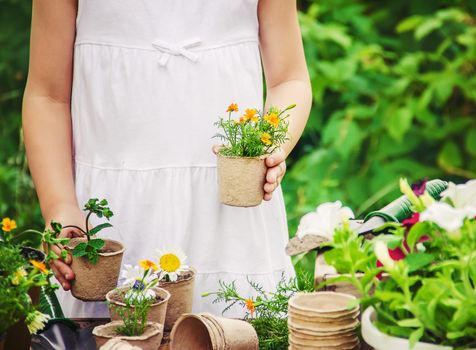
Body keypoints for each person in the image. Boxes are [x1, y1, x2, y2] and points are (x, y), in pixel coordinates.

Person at [22, 0, 311, 318]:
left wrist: (271, 143)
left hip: (230, 214)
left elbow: (289, 79)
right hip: (110, 219)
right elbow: (47, 95)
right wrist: (60, 206)